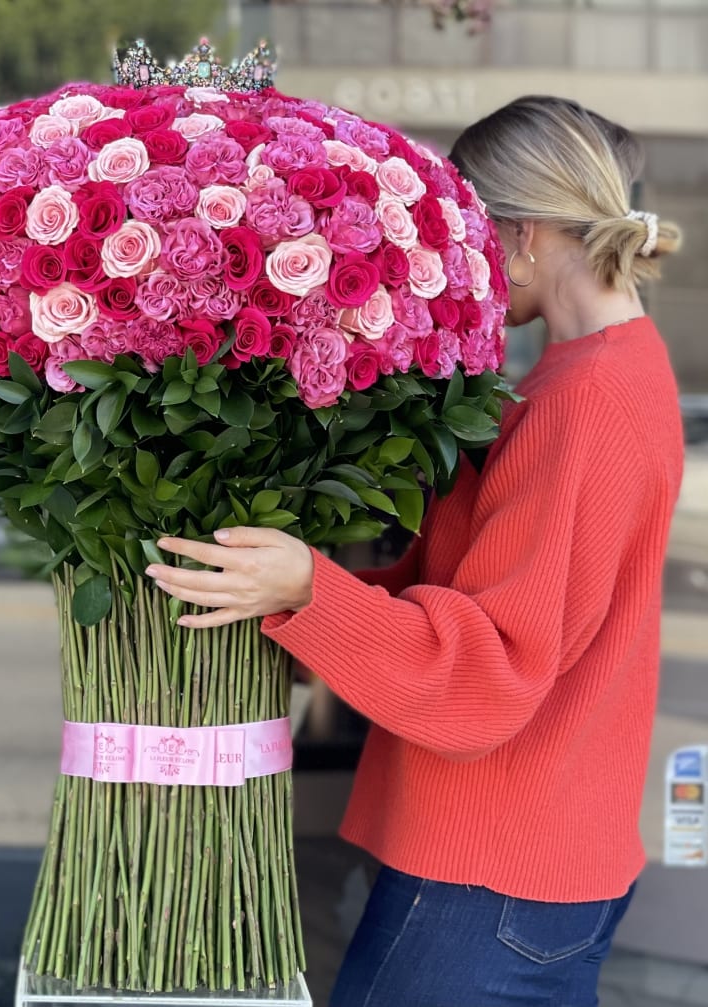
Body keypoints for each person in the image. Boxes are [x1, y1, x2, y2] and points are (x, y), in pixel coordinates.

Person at [144, 95, 685, 1007]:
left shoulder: (585, 400)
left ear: (525, 231)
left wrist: (310, 589)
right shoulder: (601, 370)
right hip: (532, 856)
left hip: (490, 866)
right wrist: (317, 603)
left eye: (468, 228)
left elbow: (491, 669)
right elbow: (484, 589)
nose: (458, 264)